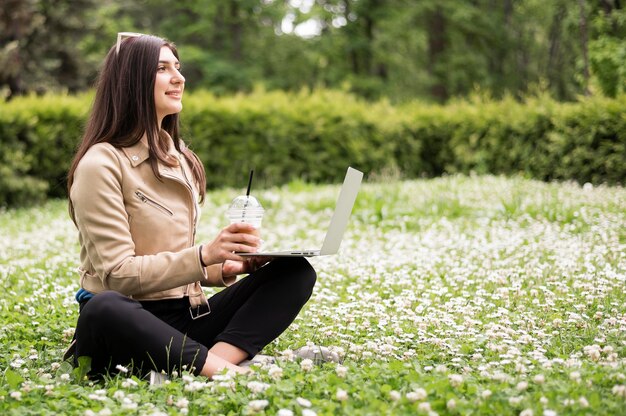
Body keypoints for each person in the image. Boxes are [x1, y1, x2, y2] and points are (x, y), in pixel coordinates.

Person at [64, 33, 317, 379]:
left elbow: (171, 258)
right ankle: (225, 372)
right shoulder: (101, 164)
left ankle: (214, 363)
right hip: (125, 327)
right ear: (131, 81)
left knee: (295, 271)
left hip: (183, 320)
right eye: (162, 69)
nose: (179, 78)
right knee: (105, 307)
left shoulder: (179, 158)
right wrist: (204, 256)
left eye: (178, 68)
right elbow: (119, 275)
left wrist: (226, 268)